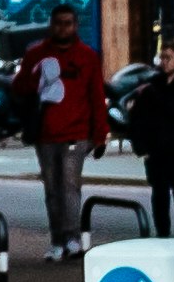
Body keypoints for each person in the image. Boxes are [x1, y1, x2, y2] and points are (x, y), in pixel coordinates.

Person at [7, 14, 108, 249]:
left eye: (68, 23)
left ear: (75, 25)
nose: (62, 28)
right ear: (51, 25)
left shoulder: (87, 56)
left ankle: (72, 237)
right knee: (52, 189)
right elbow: (19, 87)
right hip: (46, 133)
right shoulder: (36, 54)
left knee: (70, 187)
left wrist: (100, 134)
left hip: (77, 132)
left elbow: (96, 96)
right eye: (58, 23)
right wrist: (37, 81)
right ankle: (58, 240)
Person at [115, 30, 174, 235]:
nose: (163, 62)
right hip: (156, 148)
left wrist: (152, 95)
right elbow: (138, 116)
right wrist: (140, 146)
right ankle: (163, 232)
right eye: (161, 57)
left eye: (168, 58)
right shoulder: (154, 82)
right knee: (159, 193)